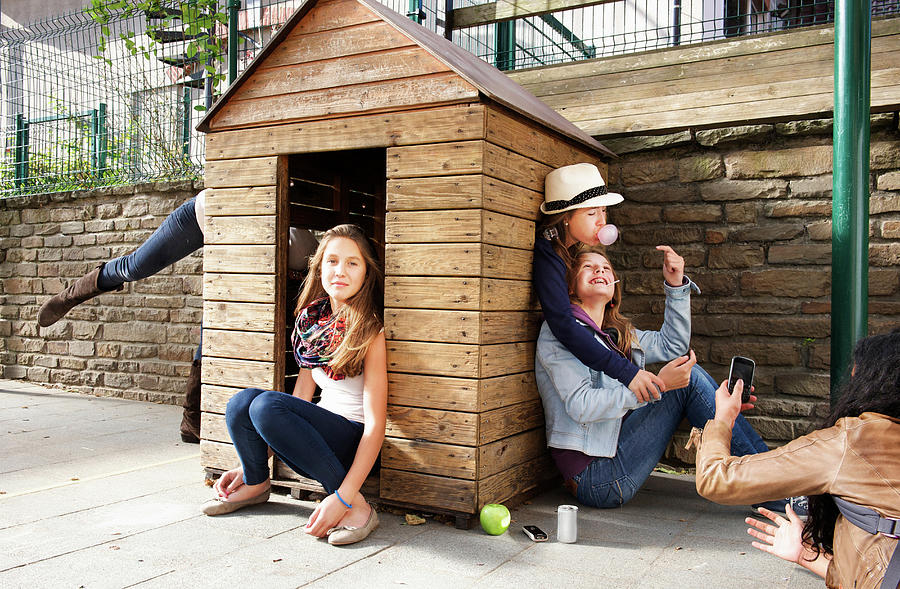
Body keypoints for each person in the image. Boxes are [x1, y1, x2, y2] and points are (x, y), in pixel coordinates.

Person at [35, 190, 318, 443]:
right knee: (136, 266)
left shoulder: (308, 249)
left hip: (259, 252)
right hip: (204, 215)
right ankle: (72, 294)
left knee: (223, 314)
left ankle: (191, 420)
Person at [534, 245, 772, 508]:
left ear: (614, 288)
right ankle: (773, 489)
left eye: (605, 268)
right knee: (687, 381)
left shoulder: (618, 335)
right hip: (596, 477)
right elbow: (581, 405)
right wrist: (658, 386)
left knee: (691, 379)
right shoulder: (560, 334)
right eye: (588, 267)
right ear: (570, 287)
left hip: (615, 453)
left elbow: (673, 345)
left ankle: (776, 478)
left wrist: (675, 285)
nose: (599, 269)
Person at [201, 224, 386, 547]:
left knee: (265, 404)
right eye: (332, 261)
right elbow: (301, 397)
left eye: (352, 263)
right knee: (242, 403)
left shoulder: (371, 328)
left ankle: (358, 506)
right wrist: (250, 462)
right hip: (315, 444)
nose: (340, 271)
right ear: (319, 267)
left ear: (366, 272)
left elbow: (375, 425)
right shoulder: (311, 321)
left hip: (350, 442)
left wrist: (343, 497)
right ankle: (257, 483)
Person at [695, 330, 900, 589]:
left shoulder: (851, 442)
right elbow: (881, 559)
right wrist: (805, 555)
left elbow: (715, 478)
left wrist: (723, 418)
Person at [534, 163, 666, 409]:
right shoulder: (548, 255)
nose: (602, 222)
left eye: (603, 211)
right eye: (592, 213)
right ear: (566, 218)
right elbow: (563, 325)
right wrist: (627, 373)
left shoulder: (571, 249)